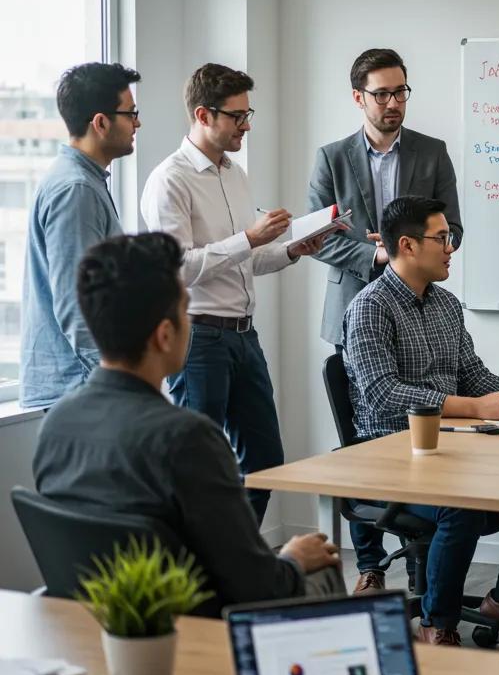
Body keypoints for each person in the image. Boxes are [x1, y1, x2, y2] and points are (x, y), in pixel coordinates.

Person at [34, 233, 343, 608]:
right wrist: (292, 559)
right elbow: (259, 586)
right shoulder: (187, 438)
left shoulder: (56, 424)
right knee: (321, 562)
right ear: (165, 335)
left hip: (97, 621)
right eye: (187, 311)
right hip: (191, 624)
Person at [343, 195, 499, 645]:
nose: (451, 248)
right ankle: (436, 625)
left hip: (454, 450)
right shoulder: (369, 308)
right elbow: (383, 395)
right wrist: (474, 408)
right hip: (390, 462)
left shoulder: (446, 305)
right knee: (461, 503)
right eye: (441, 238)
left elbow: (471, 373)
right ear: (408, 245)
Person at [140, 64, 331, 525]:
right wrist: (249, 237)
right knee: (195, 466)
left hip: (244, 337)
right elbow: (178, 269)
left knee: (266, 461)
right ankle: (199, 562)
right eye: (237, 116)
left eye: (249, 114)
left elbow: (246, 261)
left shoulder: (235, 175)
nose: (247, 125)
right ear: (203, 115)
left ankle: (234, 553)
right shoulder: (170, 180)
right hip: (198, 339)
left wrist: (291, 249)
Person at [308, 48, 462, 591]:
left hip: (417, 304)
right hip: (357, 305)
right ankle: (370, 566)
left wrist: (414, 251)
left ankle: (423, 561)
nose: (394, 103)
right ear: (359, 98)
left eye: (401, 92)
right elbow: (318, 236)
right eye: (382, 94)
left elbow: (453, 228)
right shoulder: (332, 158)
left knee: (416, 429)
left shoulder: (431, 153)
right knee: (366, 435)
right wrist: (377, 255)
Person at [20, 62, 141, 409]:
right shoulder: (76, 189)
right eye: (130, 114)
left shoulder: (83, 181)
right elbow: (77, 304)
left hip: (82, 385)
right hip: (80, 388)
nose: (137, 123)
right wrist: (117, 382)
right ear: (100, 123)